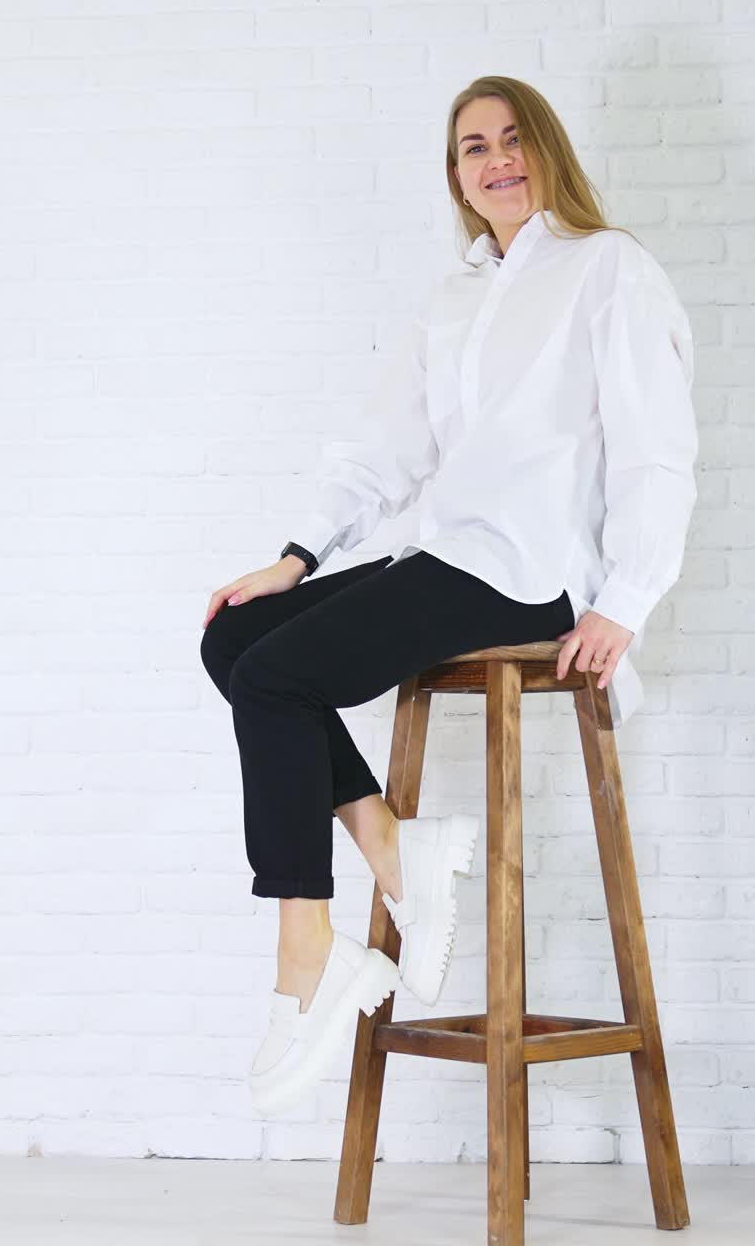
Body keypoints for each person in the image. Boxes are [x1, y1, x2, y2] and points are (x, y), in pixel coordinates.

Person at [198, 74, 698, 1117]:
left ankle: (308, 946)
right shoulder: (455, 300)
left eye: (514, 139)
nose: (497, 160)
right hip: (450, 555)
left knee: (280, 679)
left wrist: (627, 598)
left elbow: (657, 445)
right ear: (456, 175)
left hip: (533, 575)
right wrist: (297, 556)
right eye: (475, 147)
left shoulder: (608, 269)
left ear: (546, 150)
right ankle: (389, 842)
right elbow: (386, 448)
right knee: (237, 642)